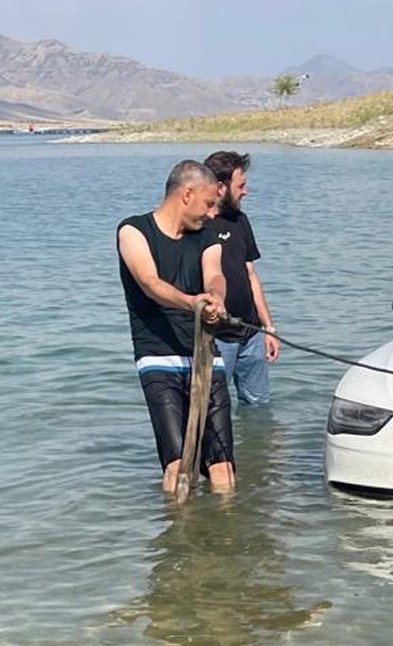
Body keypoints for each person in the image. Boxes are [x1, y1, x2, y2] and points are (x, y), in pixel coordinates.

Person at [117, 159, 235, 494]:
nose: (213, 213)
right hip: (158, 357)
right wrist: (192, 302)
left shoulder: (207, 236)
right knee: (178, 466)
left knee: (223, 465)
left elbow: (215, 275)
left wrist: (215, 298)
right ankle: (177, 527)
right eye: (209, 203)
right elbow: (150, 283)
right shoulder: (133, 231)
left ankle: (229, 524)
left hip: (205, 356)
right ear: (187, 194)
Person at [203, 150, 280, 405]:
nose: (246, 191)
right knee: (213, 407)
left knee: (259, 406)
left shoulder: (240, 220)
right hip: (216, 338)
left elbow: (251, 274)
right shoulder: (198, 225)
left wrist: (269, 328)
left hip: (252, 334)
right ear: (221, 187)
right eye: (241, 186)